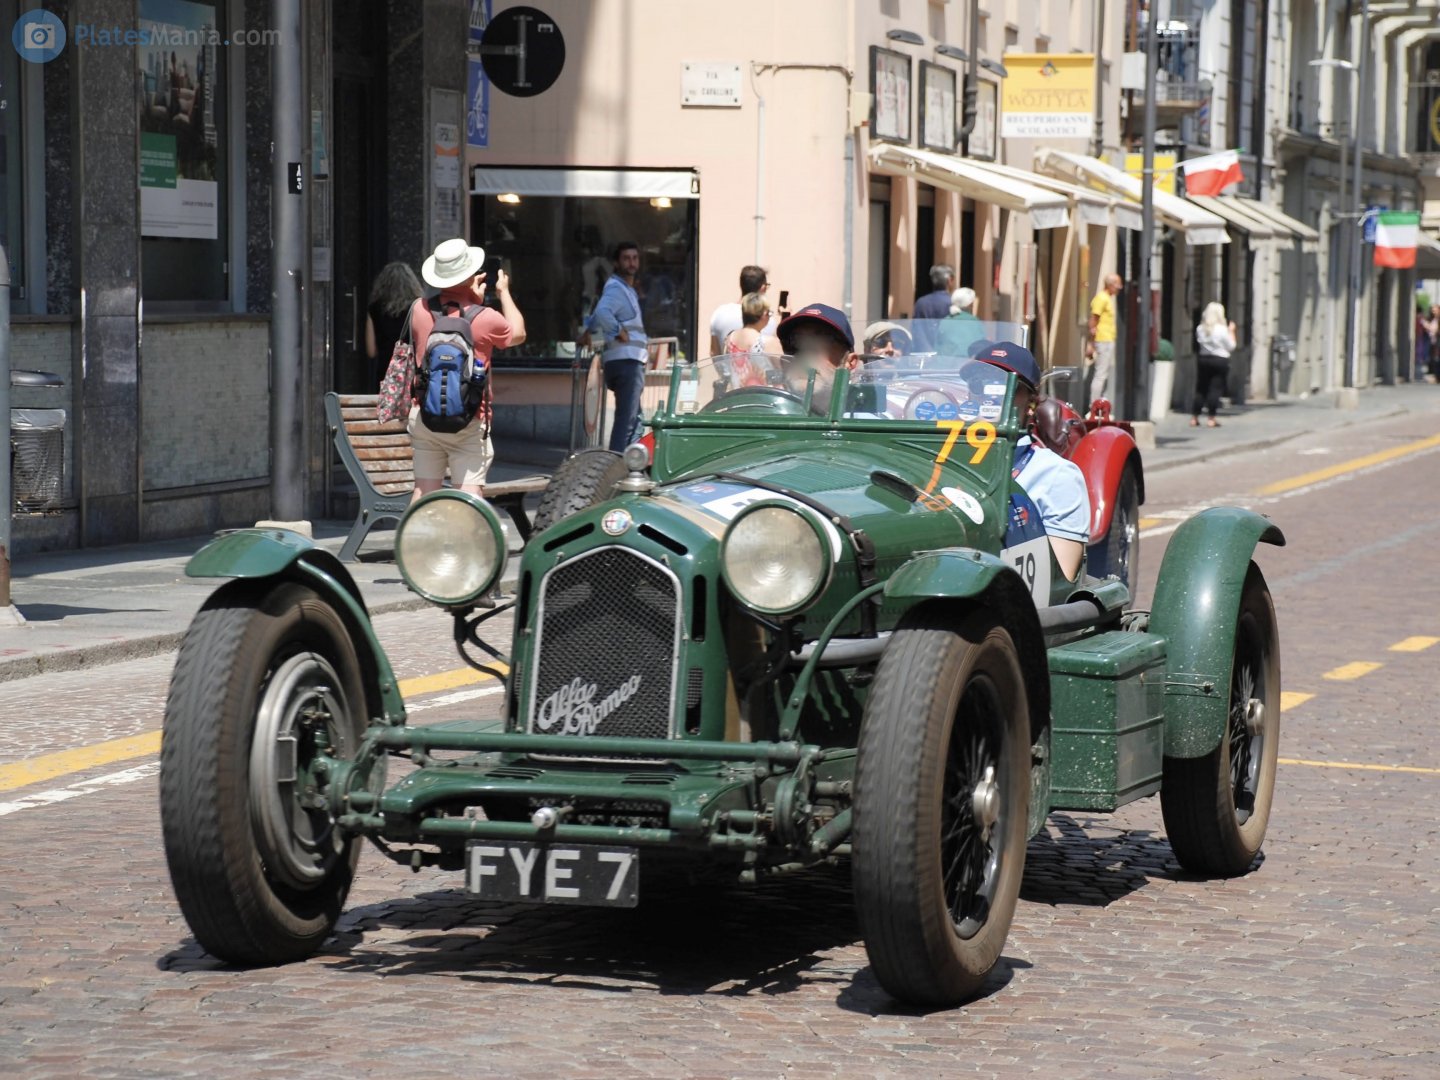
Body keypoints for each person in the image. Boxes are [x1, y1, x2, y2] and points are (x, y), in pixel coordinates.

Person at [407, 237, 527, 503]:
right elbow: (518, 333)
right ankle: (463, 544)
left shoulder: (418, 310)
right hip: (469, 418)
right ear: (471, 274)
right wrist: (503, 291)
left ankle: (413, 543)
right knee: (468, 496)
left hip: (425, 414)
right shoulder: (486, 318)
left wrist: (468, 296)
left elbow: (447, 311)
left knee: (423, 492)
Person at [973, 342, 1091, 581]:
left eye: (1006, 386)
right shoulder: (939, 459)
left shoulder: (1056, 474)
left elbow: (1058, 582)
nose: (990, 394)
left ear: (1031, 404)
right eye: (978, 383)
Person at [582, 241, 648, 452]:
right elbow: (603, 312)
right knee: (627, 421)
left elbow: (596, 316)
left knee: (635, 420)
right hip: (627, 361)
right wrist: (618, 330)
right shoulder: (617, 288)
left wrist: (587, 332)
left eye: (634, 258)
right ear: (616, 263)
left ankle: (629, 468)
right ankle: (616, 466)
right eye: (626, 258)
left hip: (626, 360)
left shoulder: (623, 288)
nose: (631, 263)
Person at [776, 303, 859, 399]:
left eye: (823, 339)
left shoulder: (862, 414)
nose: (805, 354)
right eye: (793, 341)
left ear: (850, 362)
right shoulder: (763, 410)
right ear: (783, 363)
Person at [366, 261, 424, 386]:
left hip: (386, 375)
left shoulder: (374, 308)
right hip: (411, 375)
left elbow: (371, 350)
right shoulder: (418, 307)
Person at [709, 265, 776, 355]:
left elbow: (714, 353)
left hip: (727, 367)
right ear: (763, 288)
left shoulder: (719, 313)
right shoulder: (767, 319)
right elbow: (775, 356)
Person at [1192, 302, 1236, 428]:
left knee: (1201, 388)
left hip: (1203, 359)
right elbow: (1231, 346)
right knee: (1215, 388)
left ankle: (1194, 417)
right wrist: (1232, 331)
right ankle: (1211, 418)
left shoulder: (1200, 328)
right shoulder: (1222, 330)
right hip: (1220, 359)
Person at [1086, 274, 1123, 403]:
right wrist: (1091, 344)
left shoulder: (1107, 298)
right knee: (1100, 374)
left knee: (1103, 374)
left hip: (1107, 340)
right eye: (1118, 284)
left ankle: (1100, 405)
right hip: (1103, 340)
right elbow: (1093, 320)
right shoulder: (1101, 298)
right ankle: (1094, 406)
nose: (1120, 287)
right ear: (1110, 285)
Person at [937, 286, 985, 357]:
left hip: (947, 364)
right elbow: (981, 345)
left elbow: (938, 346)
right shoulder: (973, 321)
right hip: (966, 363)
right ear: (969, 304)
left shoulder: (945, 320)